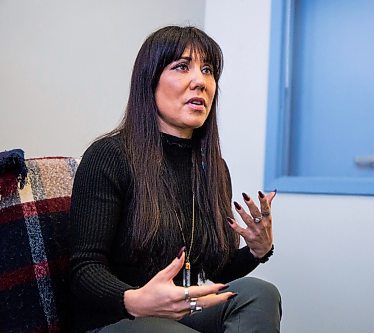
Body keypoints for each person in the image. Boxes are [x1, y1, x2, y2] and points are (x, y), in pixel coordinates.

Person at [69, 26, 281, 333]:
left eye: (207, 70)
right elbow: (83, 269)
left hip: (180, 312)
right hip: (120, 319)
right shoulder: (109, 155)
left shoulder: (213, 167)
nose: (200, 81)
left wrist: (256, 251)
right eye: (182, 67)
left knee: (260, 293)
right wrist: (135, 300)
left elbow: (213, 266)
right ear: (150, 81)